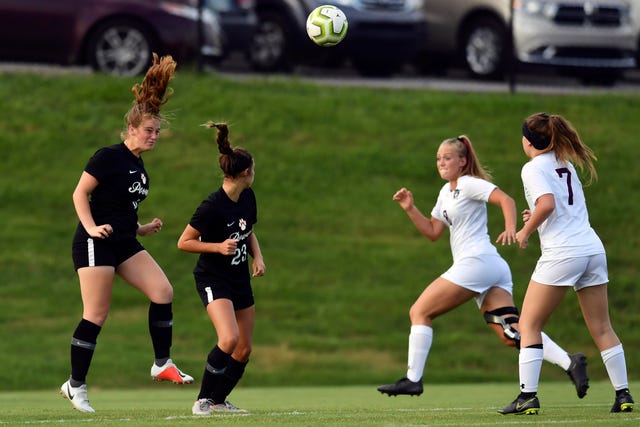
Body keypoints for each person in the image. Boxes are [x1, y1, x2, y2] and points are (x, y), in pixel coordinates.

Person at [377, 135, 588, 401]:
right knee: (512, 333)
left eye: (448, 157)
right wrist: (410, 208)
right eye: (438, 158)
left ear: (463, 161)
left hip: (476, 262)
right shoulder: (446, 192)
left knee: (419, 311)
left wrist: (512, 228)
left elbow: (506, 200)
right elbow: (432, 232)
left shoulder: (468, 184)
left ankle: (412, 379)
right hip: (489, 267)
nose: (441, 162)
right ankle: (570, 362)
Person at [60, 54, 194, 413]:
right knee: (96, 314)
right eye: (149, 131)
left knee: (163, 291)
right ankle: (76, 386)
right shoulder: (108, 156)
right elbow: (80, 193)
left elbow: (121, 209)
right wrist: (90, 228)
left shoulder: (138, 167)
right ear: (131, 129)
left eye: (157, 132)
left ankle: (162, 362)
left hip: (123, 241)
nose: (154, 137)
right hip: (94, 243)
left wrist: (141, 227)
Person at [499, 113, 634, 415]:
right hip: (592, 249)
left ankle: (527, 397)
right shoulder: (565, 164)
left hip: (564, 252)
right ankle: (624, 394)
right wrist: (533, 218)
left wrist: (524, 231)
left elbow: (547, 204)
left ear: (528, 141)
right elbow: (557, 207)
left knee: (529, 325)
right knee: (602, 327)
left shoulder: (533, 167)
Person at [177, 122, 265, 415]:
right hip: (213, 277)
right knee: (229, 339)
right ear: (244, 173)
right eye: (254, 168)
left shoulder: (247, 197)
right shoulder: (211, 206)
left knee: (244, 349)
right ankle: (202, 400)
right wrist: (216, 247)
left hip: (239, 277)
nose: (255, 172)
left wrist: (258, 257)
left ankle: (218, 401)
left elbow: (247, 230)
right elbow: (184, 242)